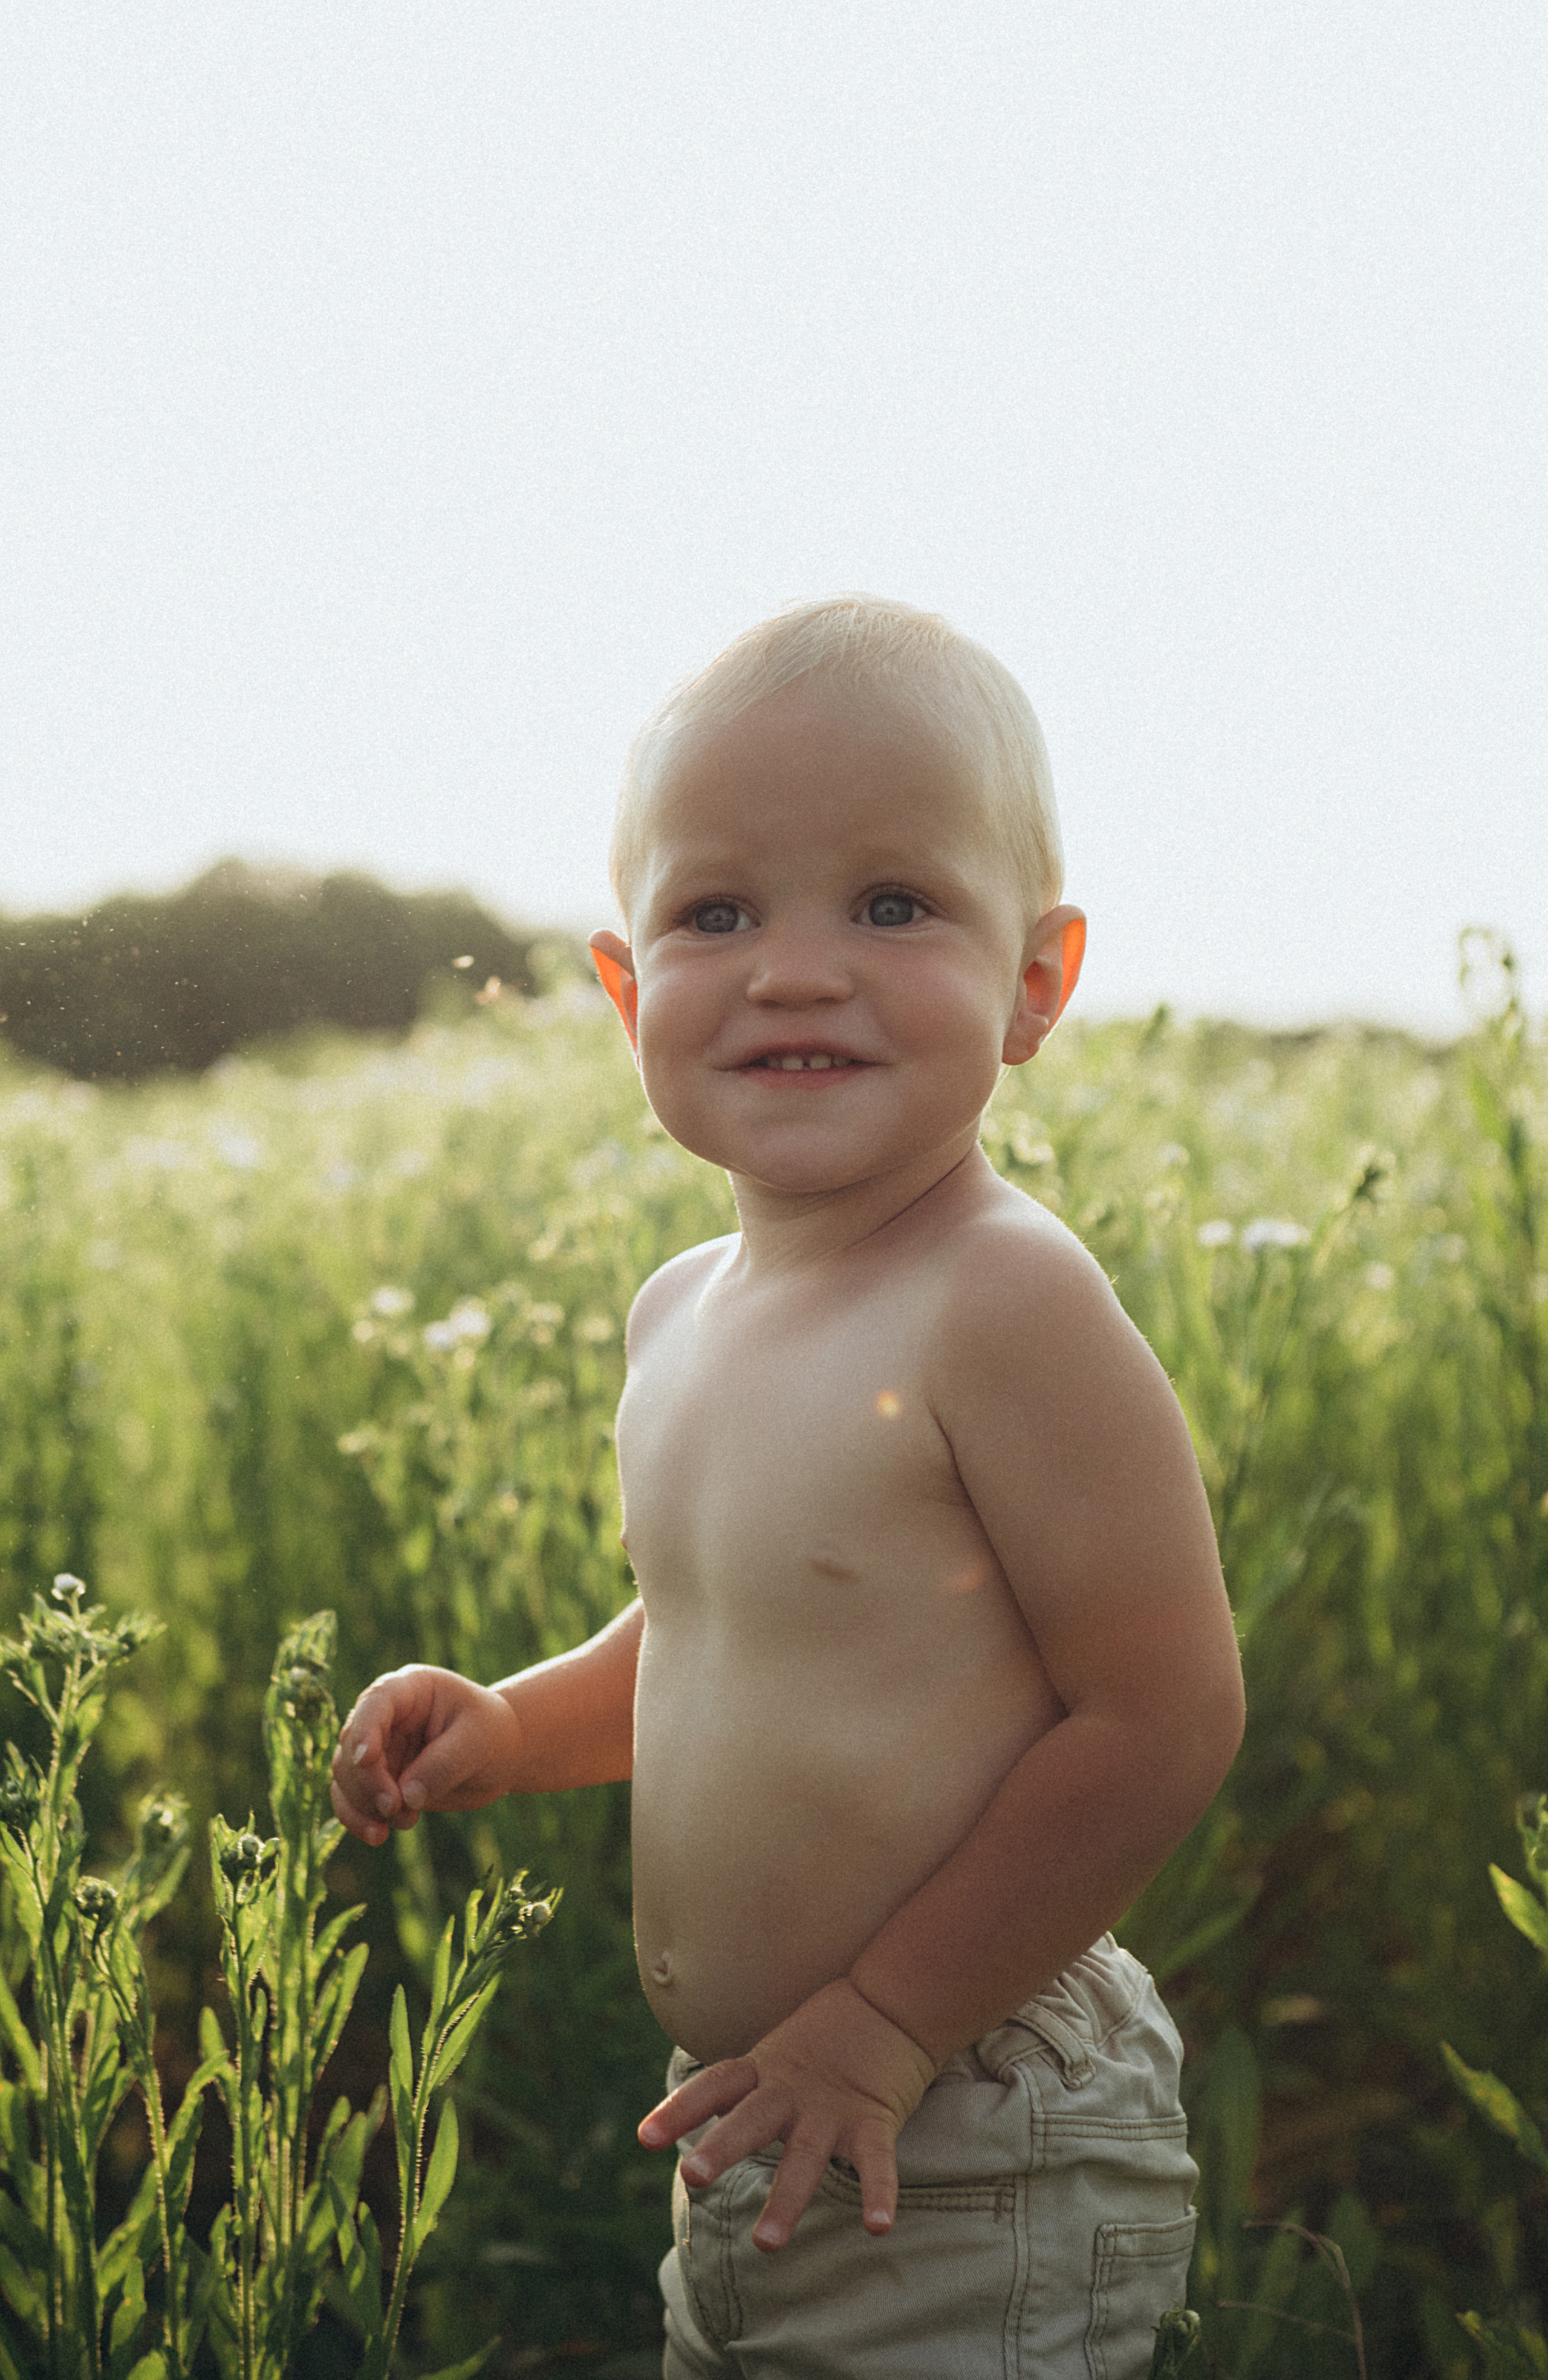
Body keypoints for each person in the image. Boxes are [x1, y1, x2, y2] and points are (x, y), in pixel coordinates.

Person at [331, 595, 1246, 2378]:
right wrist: (515, 1726)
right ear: (625, 990)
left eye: (893, 903)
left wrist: (890, 2020)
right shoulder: (682, 1308)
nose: (796, 967)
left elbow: (1164, 1711)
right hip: (778, 2104)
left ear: (1036, 983)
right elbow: (711, 1630)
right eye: (717, 911)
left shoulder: (1006, 1296)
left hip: (971, 2109)